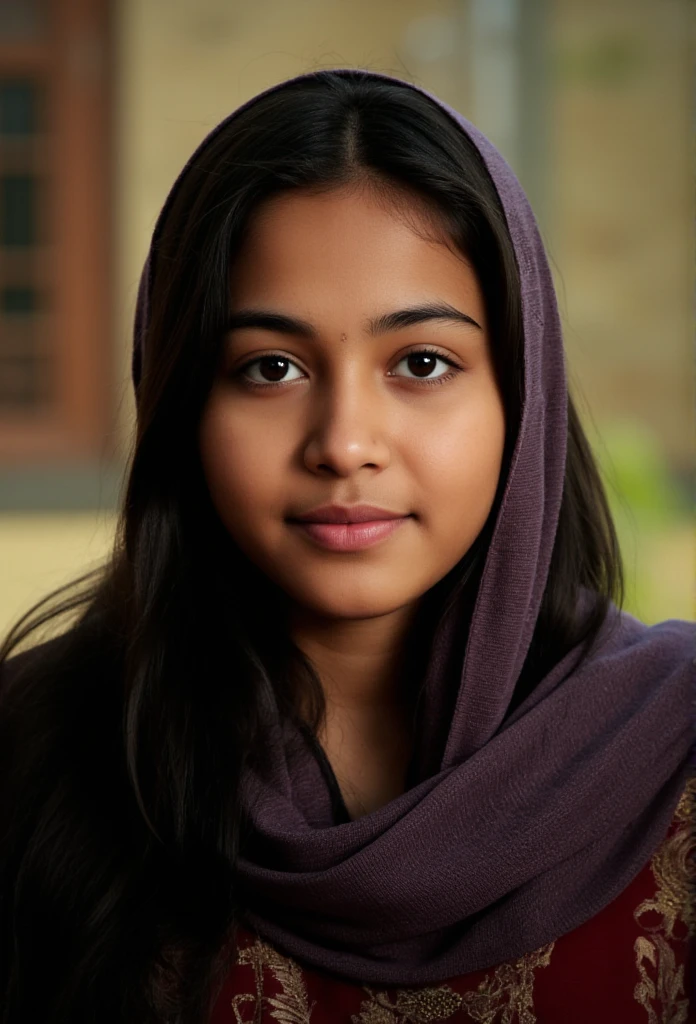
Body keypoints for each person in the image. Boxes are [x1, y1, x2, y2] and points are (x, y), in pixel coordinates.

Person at [0, 68, 693, 1024]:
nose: (345, 443)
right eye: (270, 368)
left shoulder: (677, 752)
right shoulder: (32, 758)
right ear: (182, 404)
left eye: (421, 362)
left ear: (521, 398)